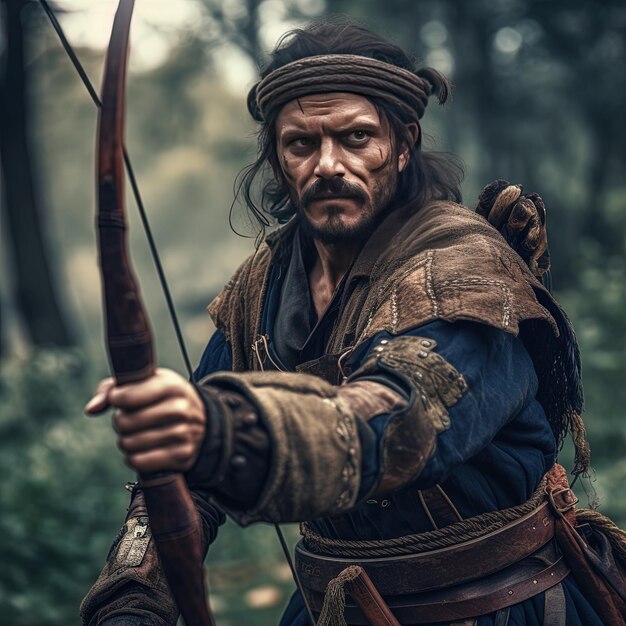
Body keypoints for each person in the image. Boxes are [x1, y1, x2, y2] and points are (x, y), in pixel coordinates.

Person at [80, 20, 621, 626]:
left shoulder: (463, 267)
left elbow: (395, 424)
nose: (328, 165)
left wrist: (220, 429)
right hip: (336, 605)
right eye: (301, 144)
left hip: (496, 602)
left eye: (357, 137)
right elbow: (184, 463)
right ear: (278, 159)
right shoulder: (265, 283)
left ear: (403, 142)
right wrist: (134, 596)